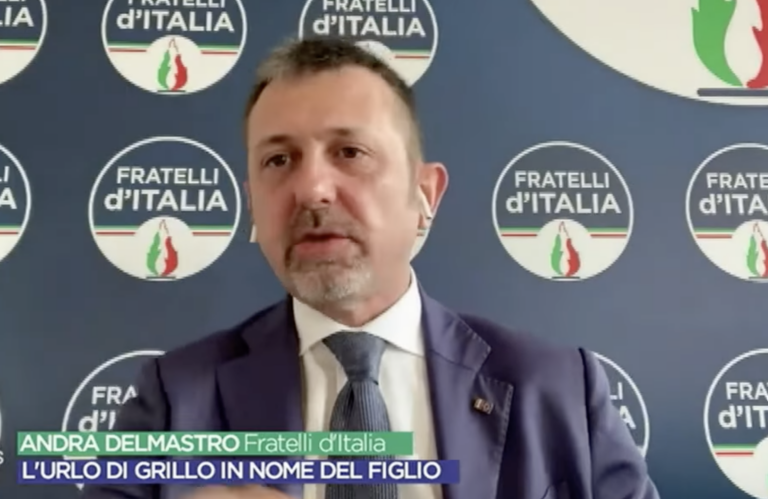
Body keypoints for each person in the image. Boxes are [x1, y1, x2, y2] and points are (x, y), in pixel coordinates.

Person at [81, 37, 661, 499]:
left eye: (350, 152)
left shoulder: (560, 390)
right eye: (279, 160)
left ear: (425, 195)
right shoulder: (176, 397)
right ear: (252, 203)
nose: (312, 188)